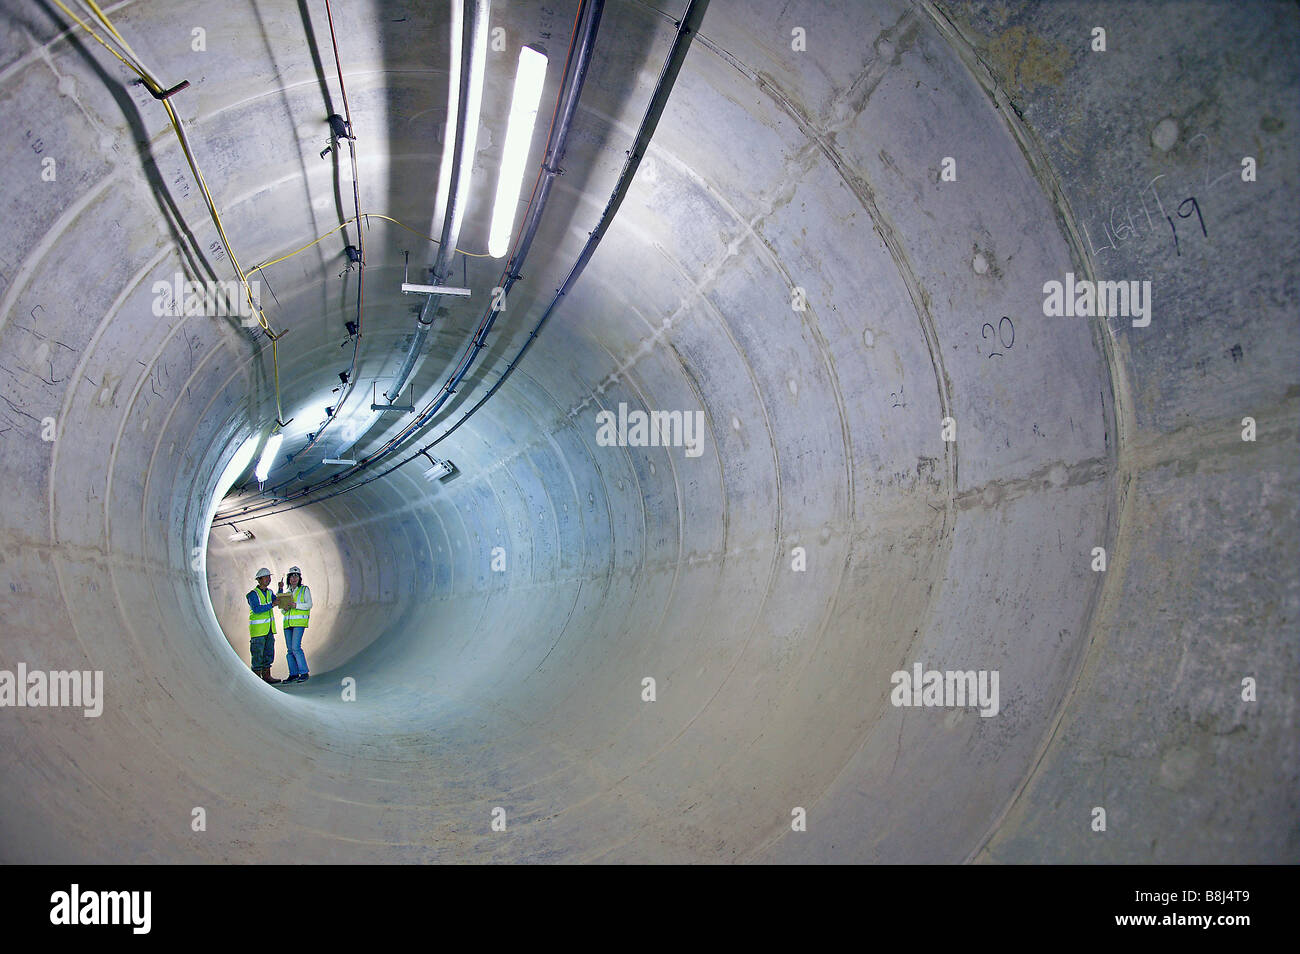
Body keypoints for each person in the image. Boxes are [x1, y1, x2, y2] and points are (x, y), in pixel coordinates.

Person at [246, 568, 282, 684]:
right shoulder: (252, 594)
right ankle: (256, 679)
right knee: (257, 655)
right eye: (265, 577)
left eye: (269, 577)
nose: (268, 579)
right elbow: (256, 609)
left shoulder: (270, 592)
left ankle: (266, 676)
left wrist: (280, 589)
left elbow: (278, 601)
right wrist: (272, 604)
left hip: (269, 630)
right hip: (258, 631)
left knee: (268, 653)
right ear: (259, 580)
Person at [278, 565, 312, 683]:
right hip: (287, 624)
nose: (294, 578)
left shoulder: (304, 590)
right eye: (292, 576)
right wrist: (286, 608)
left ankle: (304, 672)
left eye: (296, 576)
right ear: (288, 578)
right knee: (290, 650)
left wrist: (296, 605)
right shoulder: (287, 593)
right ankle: (293, 674)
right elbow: (282, 610)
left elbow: (309, 604)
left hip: (298, 623)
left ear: (299, 578)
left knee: (296, 647)